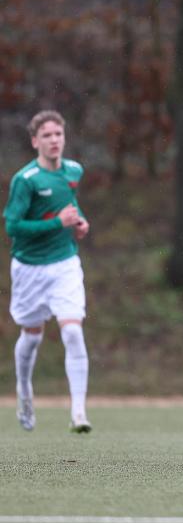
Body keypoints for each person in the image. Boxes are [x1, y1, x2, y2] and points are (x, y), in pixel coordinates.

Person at [4, 110, 91, 433]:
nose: (54, 140)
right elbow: (13, 227)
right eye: (47, 135)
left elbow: (69, 204)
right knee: (32, 336)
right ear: (34, 141)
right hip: (29, 268)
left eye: (58, 134)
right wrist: (57, 223)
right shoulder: (25, 180)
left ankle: (78, 414)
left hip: (64, 264)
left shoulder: (73, 171)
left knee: (73, 331)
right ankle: (24, 390)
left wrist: (79, 222)